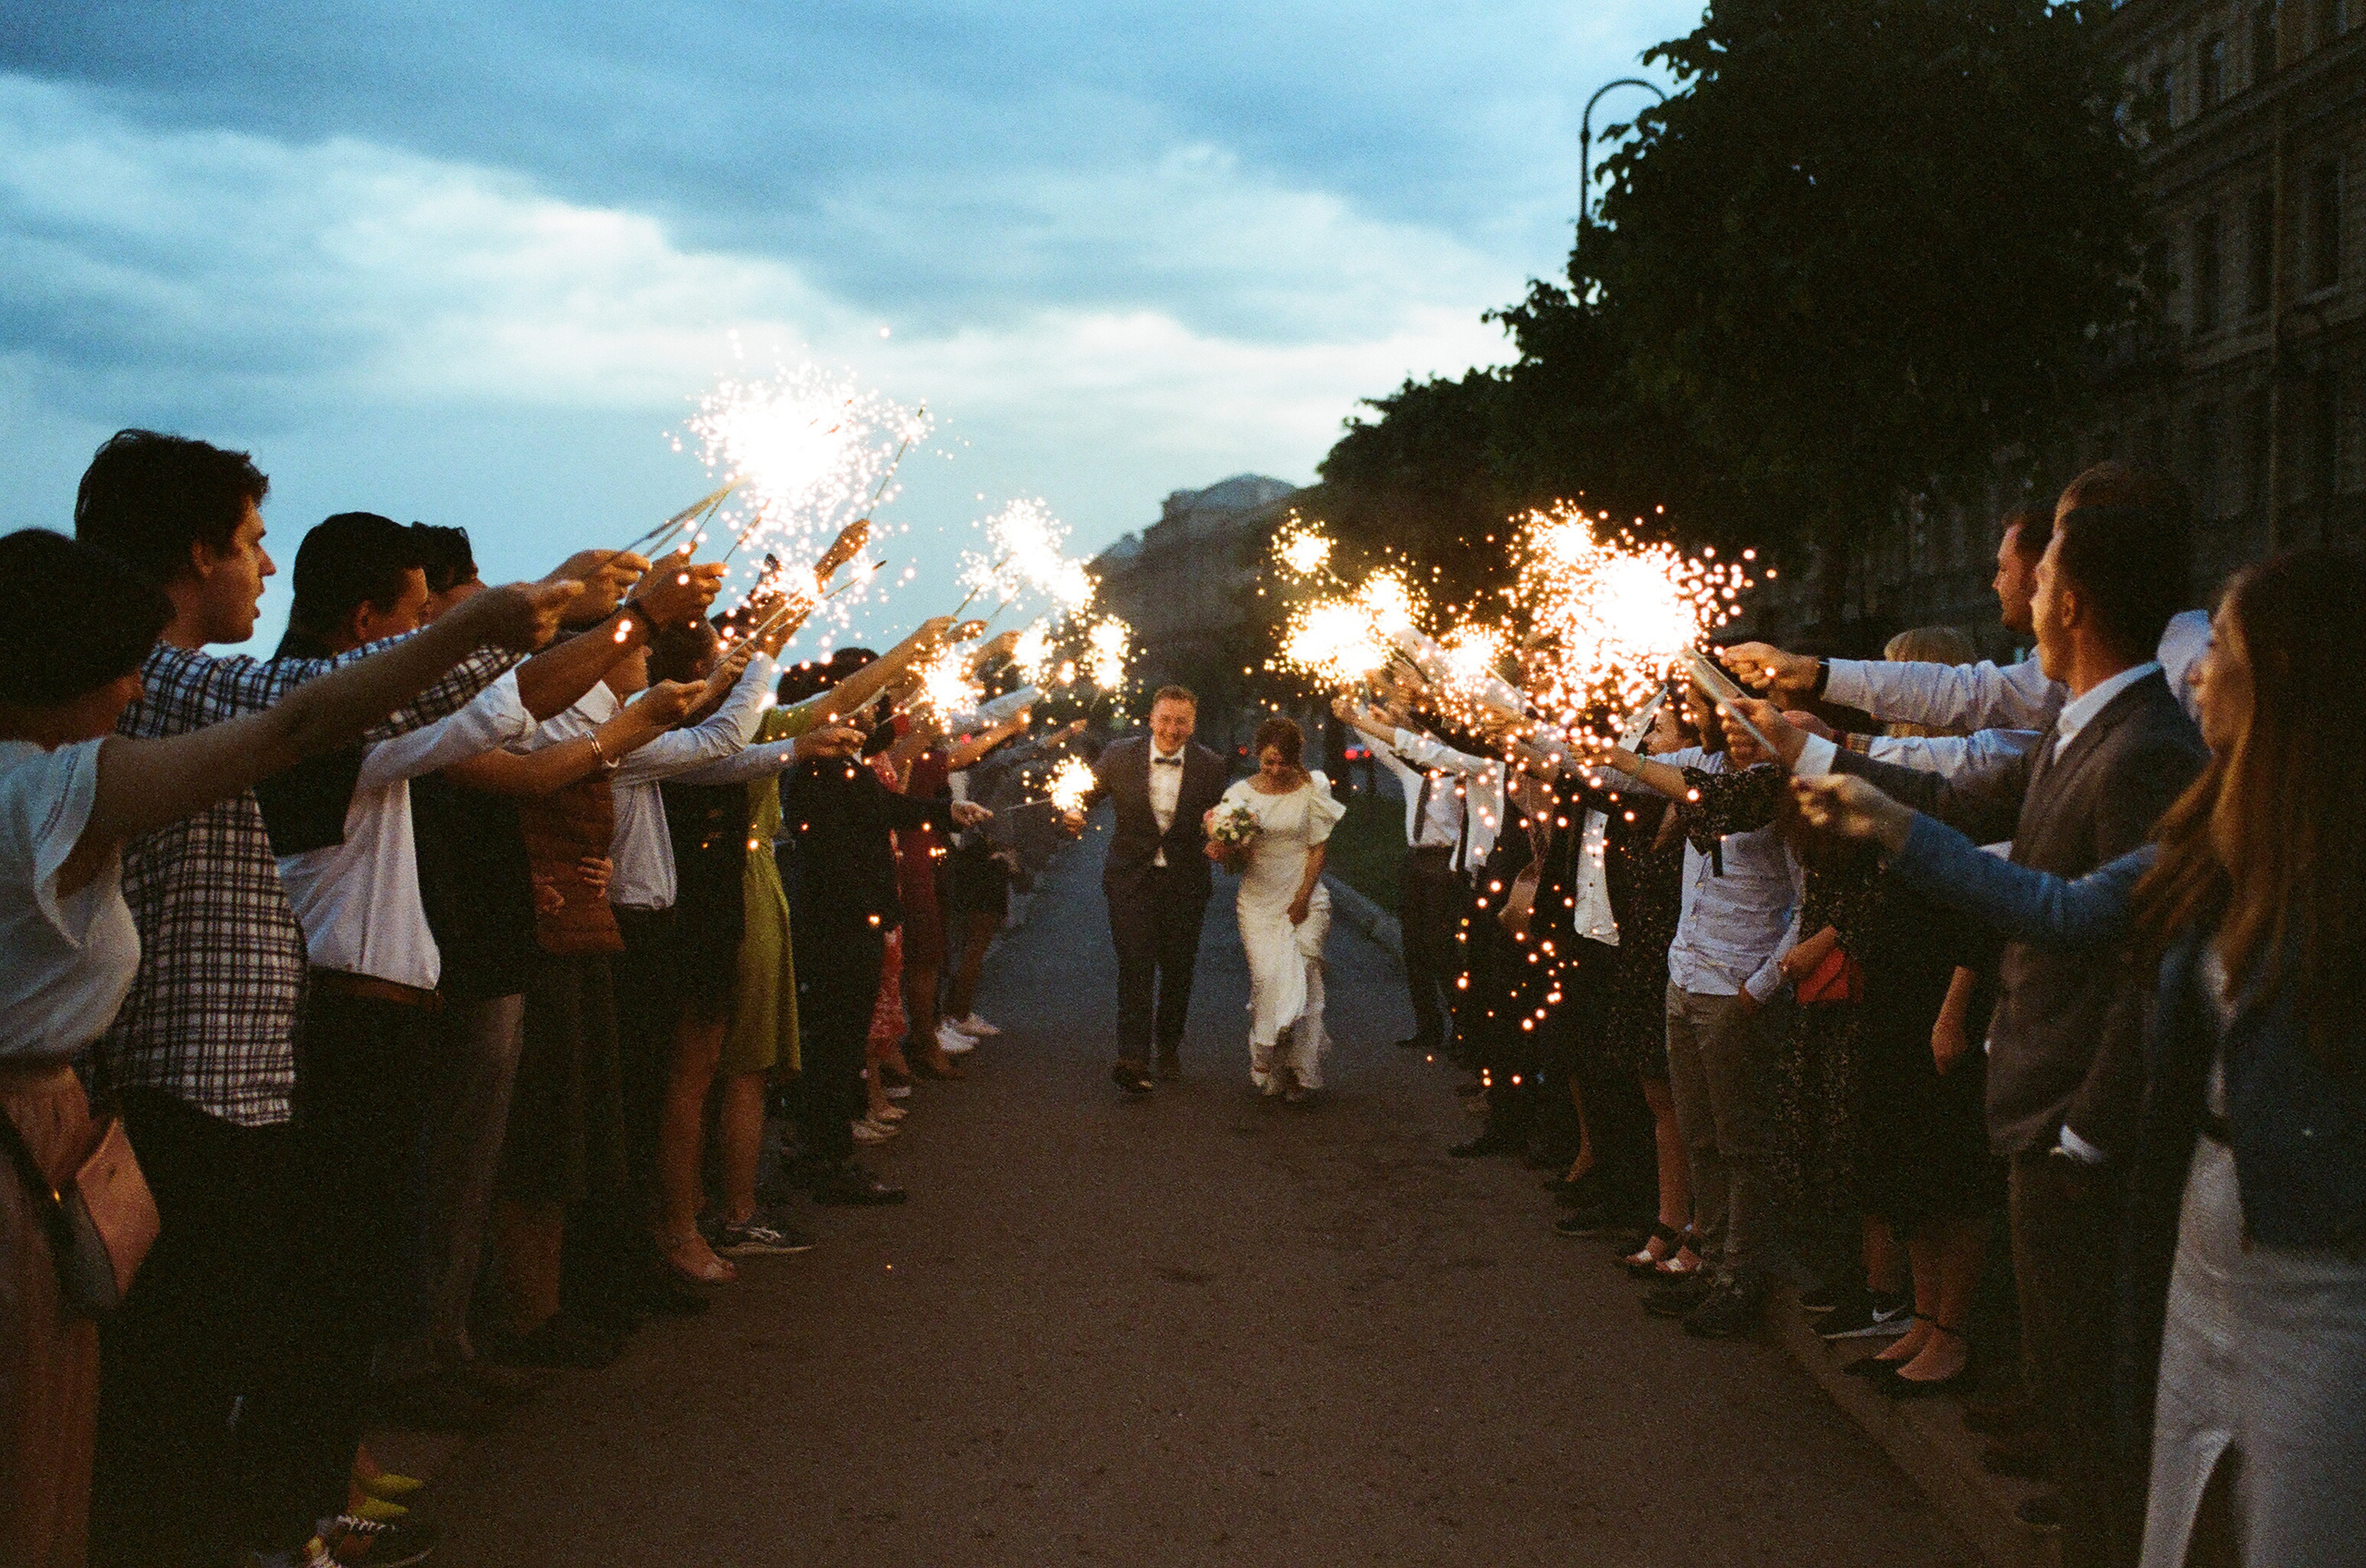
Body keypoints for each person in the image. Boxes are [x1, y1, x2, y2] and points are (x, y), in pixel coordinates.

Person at [68, 430, 616, 1568]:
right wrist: (494, 622)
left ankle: (273, 1525)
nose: (266, 570)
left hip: (235, 1080)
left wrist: (541, 615)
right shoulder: (156, 683)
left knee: (224, 1347)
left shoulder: (176, 684)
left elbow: (352, 706)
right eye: (252, 542)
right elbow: (315, 708)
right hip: (183, 1084)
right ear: (192, 550)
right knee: (178, 1378)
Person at [1795, 544, 2366, 1568]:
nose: (2195, 670)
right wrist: (1887, 823)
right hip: (2202, 1239)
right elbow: (2061, 909)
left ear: (2285, 676)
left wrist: (2085, 1131)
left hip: (2321, 1274)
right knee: (2175, 1507)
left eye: (2221, 649)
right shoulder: (2216, 828)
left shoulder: (2337, 867)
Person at [1732, 475, 2209, 1563]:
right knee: (2075, 1400)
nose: (2019, 596)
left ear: (2072, 602)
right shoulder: (2086, 722)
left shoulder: (2145, 746)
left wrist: (2082, 1128)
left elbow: (2108, 945)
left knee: (2100, 1430)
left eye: (2034, 577)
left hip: (2074, 1124)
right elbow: (1961, 790)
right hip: (2040, 1109)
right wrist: (1815, 753)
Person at [1596, 679, 1799, 1339]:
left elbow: (1806, 902)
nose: (1734, 728)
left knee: (1742, 1141)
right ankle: (1705, 1261)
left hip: (1735, 985)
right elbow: (1624, 769)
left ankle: (1742, 1275)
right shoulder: (1704, 766)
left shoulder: (1779, 788)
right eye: (1725, 714)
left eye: (1749, 716)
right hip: (1685, 975)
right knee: (1700, 1132)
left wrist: (1761, 984)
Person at [1059, 686, 1230, 1096]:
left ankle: (1168, 1043)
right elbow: (1083, 793)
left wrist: (1222, 839)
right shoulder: (1119, 755)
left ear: (1193, 724)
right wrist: (1073, 810)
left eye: (1181, 721)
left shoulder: (1211, 765)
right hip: (1131, 879)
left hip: (1186, 881)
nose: (1172, 729)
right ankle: (1133, 1057)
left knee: (1177, 969)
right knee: (1135, 964)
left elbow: (1225, 816)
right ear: (1151, 719)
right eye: (1166, 719)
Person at [1210, 716, 1345, 1101]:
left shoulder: (1313, 787)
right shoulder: (1240, 796)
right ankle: (1266, 1053)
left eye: (1282, 762)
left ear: (1294, 759)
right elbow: (1232, 864)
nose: (1274, 770)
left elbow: (1318, 846)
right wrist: (1227, 848)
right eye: (1268, 762)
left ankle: (1300, 1070)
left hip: (1305, 897)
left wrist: (1302, 897)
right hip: (1258, 902)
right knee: (1270, 980)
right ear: (1258, 756)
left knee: (1303, 977)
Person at [1334, 697, 1472, 1058]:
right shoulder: (1414, 770)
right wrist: (1357, 714)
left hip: (1445, 862)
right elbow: (1381, 746)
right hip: (1415, 860)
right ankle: (1427, 1026)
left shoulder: (1461, 774)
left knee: (1441, 946)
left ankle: (1464, 1028)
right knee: (1414, 945)